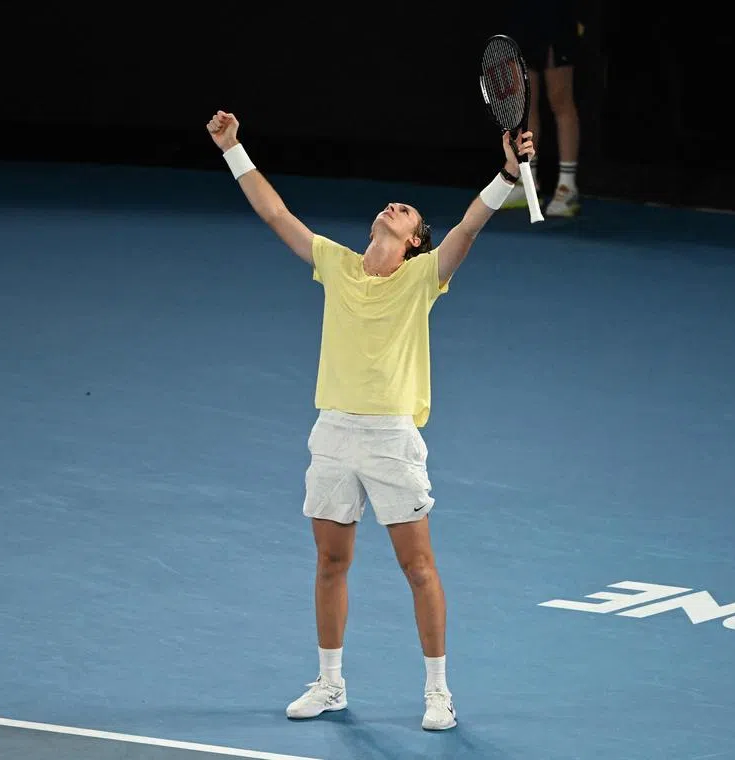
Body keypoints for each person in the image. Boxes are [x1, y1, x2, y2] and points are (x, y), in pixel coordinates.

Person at [206, 110, 535, 732]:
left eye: (407, 212)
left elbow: (467, 228)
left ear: (415, 241)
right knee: (331, 563)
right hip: (332, 433)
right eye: (393, 206)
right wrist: (233, 149)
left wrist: (505, 176)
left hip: (390, 439)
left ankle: (438, 691)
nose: (394, 208)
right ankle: (330, 683)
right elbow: (276, 214)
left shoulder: (422, 278)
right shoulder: (333, 263)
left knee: (418, 567)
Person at [502, 0, 583, 217]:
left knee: (560, 99)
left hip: (555, 15)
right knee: (524, 103)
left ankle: (567, 188)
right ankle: (526, 184)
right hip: (521, 15)